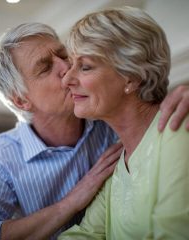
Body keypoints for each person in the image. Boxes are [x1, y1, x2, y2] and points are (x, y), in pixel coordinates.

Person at [0, 22, 189, 240]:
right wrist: (69, 203)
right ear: (21, 101)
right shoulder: (0, 156)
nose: (67, 68)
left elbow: (146, 104)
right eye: (46, 68)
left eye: (63, 54)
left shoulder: (108, 119)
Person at [60, 6, 189, 239]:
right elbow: (85, 234)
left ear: (132, 76)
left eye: (85, 66)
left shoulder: (179, 131)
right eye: (70, 65)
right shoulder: (118, 160)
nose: (67, 79)